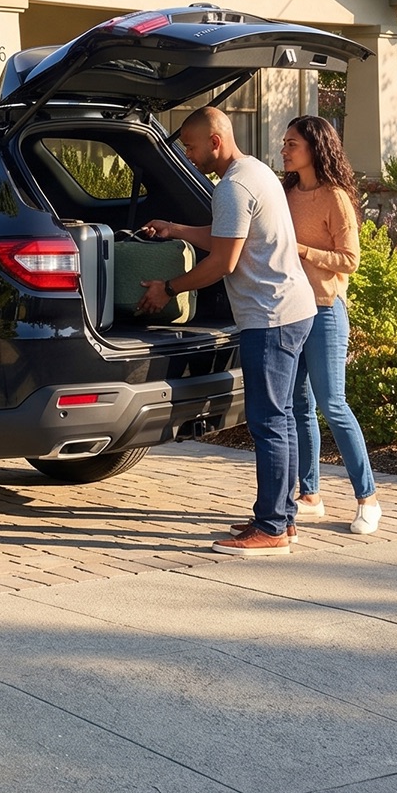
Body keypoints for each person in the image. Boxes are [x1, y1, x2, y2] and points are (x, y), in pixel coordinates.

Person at [137, 107, 318, 557]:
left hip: (270, 319)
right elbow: (227, 236)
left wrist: (169, 288)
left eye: (192, 147)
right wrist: (175, 229)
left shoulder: (233, 187)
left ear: (215, 141)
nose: (189, 156)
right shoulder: (253, 171)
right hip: (295, 311)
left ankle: (272, 528)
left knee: (269, 422)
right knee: (284, 420)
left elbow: (223, 261)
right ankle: (281, 517)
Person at [281, 115, 382, 534]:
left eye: (293, 144)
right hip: (291, 309)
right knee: (299, 405)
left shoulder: (336, 197)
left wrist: (303, 250)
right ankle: (310, 495)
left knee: (333, 405)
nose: (285, 150)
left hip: (325, 309)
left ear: (314, 148)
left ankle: (368, 498)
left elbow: (350, 260)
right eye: (284, 143)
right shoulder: (285, 192)